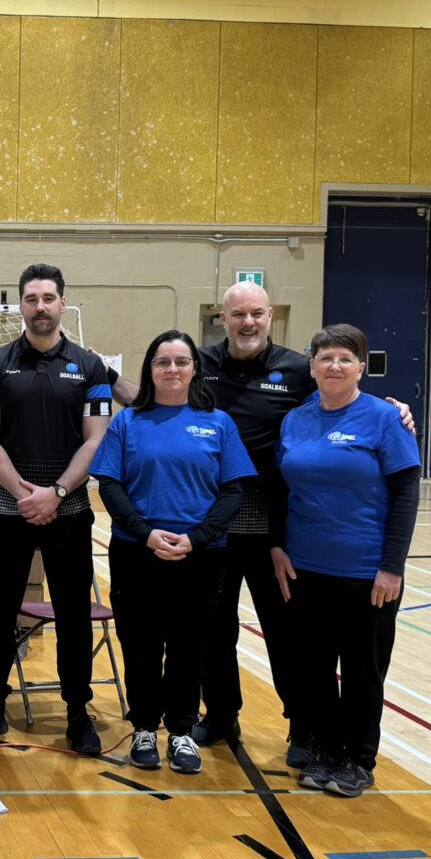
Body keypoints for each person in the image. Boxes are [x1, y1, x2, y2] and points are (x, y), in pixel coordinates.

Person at [192, 282, 412, 768]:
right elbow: (154, 393)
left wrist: (396, 410)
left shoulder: (298, 368)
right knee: (213, 628)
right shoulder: (200, 364)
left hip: (277, 526)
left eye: (256, 314)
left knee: (290, 636)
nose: (247, 323)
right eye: (237, 314)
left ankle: (304, 726)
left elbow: (347, 399)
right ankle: (221, 713)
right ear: (221, 318)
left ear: (270, 316)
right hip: (215, 520)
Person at [89, 331, 255, 774]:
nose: (173, 370)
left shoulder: (218, 422)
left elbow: (233, 489)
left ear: (194, 369)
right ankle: (144, 728)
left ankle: (181, 731)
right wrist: (144, 534)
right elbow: (110, 484)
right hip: (137, 554)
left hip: (200, 556)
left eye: (182, 362)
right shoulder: (128, 422)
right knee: (140, 644)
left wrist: (197, 538)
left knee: (189, 647)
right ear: (150, 370)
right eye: (163, 362)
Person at [0, 263, 112, 753]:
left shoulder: (89, 367)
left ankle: (78, 712)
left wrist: (57, 492)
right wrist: (22, 493)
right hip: (6, 511)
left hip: (68, 513)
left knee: (73, 615)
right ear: (22, 306)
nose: (41, 307)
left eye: (48, 298)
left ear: (62, 303)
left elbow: (97, 440)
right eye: (31, 299)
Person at [275, 323, 420, 798]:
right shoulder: (296, 420)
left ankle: (357, 759)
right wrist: (278, 545)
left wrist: (391, 566)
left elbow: (405, 495)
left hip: (365, 573)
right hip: (306, 569)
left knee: (362, 671)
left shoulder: (384, 420)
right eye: (325, 358)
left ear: (360, 366)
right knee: (313, 667)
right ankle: (321, 748)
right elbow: (281, 490)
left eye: (344, 358)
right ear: (311, 367)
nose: (334, 366)